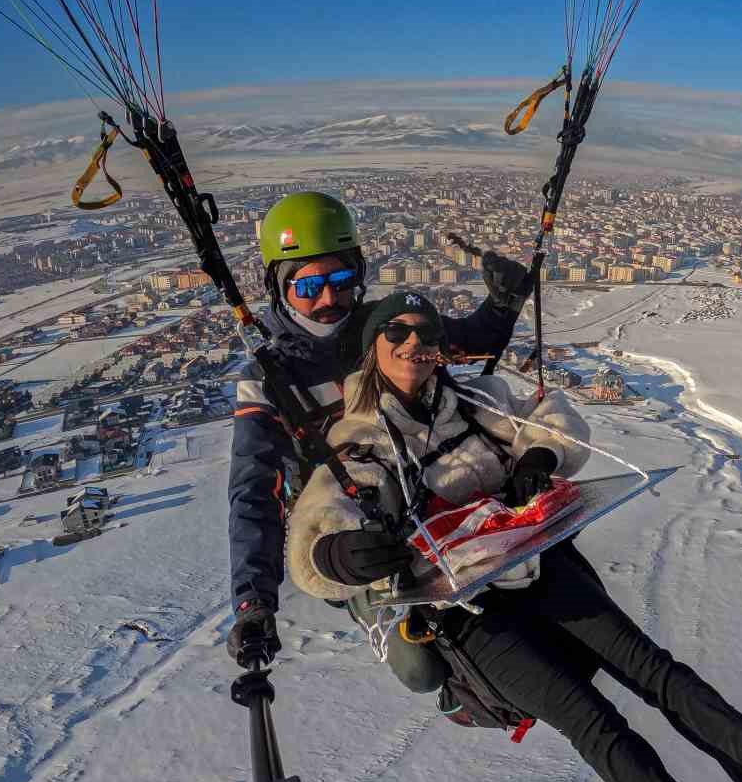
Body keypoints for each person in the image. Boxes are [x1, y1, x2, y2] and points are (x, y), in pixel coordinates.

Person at [282, 290, 742, 782]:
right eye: (396, 332)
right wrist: (336, 554)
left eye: (427, 335)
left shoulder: (477, 402)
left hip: (538, 565)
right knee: (595, 723)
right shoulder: (360, 443)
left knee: (657, 673)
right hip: (470, 616)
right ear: (374, 348)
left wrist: (540, 452)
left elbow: (556, 420)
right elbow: (318, 530)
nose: (414, 345)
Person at [224, 191, 531, 684]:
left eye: (341, 281)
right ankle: (465, 692)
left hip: (426, 488)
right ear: (279, 288)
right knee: (422, 668)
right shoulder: (269, 377)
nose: (328, 300)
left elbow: (462, 345)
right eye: (309, 286)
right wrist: (253, 601)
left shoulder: (380, 328)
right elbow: (253, 492)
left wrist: (502, 304)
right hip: (351, 530)